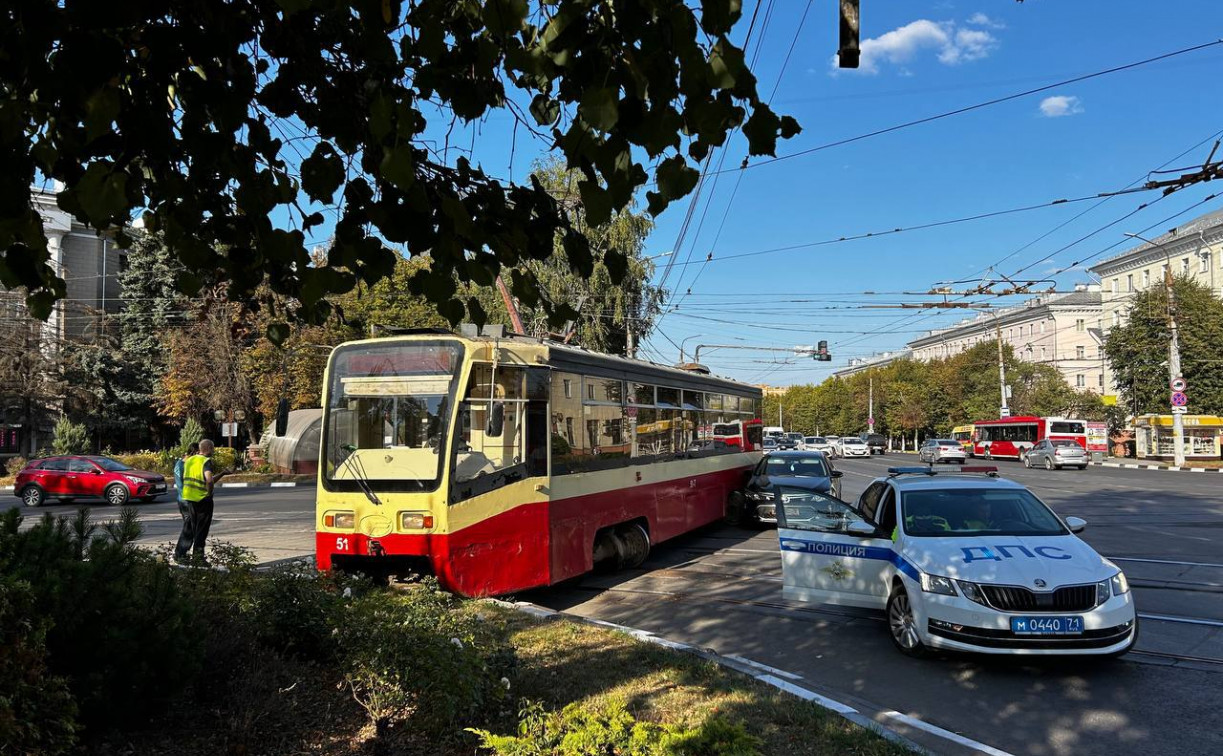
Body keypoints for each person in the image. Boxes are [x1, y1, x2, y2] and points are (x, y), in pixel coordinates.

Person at [175, 439, 218, 565]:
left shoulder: (190, 460)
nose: (214, 450)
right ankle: (198, 558)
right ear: (209, 448)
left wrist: (223, 473)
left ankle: (182, 555)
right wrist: (209, 493)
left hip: (190, 499)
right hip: (202, 499)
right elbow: (209, 480)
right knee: (201, 530)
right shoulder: (206, 461)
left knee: (192, 528)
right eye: (213, 448)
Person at [173, 442, 199, 541]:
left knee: (189, 527)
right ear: (195, 452)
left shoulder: (179, 463)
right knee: (190, 529)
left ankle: (182, 552)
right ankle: (181, 553)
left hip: (182, 499)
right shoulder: (186, 465)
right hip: (188, 500)